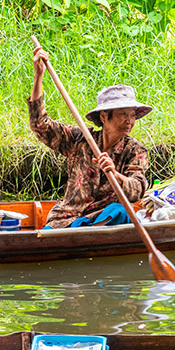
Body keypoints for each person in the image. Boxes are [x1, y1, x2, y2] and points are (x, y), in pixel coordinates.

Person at [29, 47, 152, 229]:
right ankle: (76, 233)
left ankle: (86, 234)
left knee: (120, 211)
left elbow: (137, 190)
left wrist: (116, 176)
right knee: (54, 231)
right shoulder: (79, 139)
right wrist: (38, 76)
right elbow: (40, 125)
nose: (130, 121)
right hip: (66, 219)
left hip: (101, 220)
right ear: (104, 117)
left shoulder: (135, 150)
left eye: (132, 115)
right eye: (123, 114)